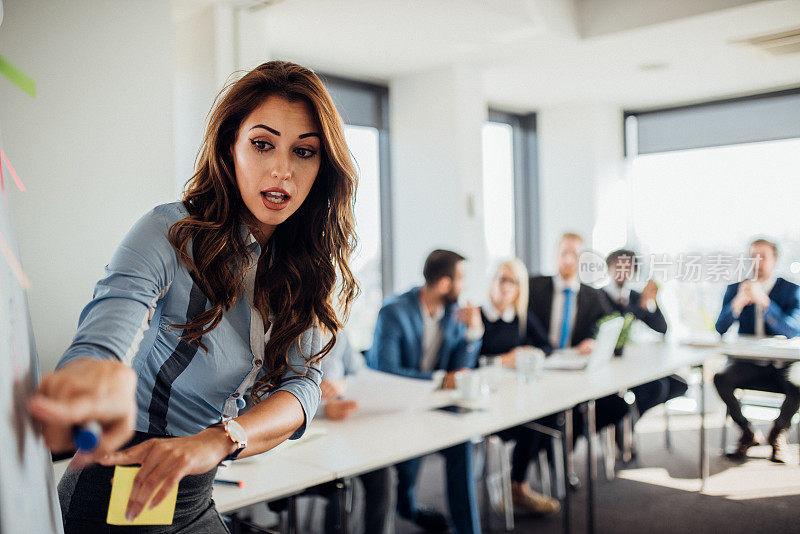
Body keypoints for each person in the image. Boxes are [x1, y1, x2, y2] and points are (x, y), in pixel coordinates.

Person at [28, 61, 359, 533]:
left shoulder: (306, 266)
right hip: (123, 489)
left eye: (304, 152)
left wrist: (224, 438)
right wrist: (89, 374)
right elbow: (107, 329)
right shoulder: (168, 232)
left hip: (195, 493)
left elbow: (303, 386)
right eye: (262, 144)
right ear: (230, 147)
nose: (282, 169)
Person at [367, 249, 483, 534]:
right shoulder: (394, 312)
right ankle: (407, 506)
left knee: (462, 443)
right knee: (407, 461)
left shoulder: (453, 316)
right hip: (391, 408)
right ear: (444, 283)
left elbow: (460, 373)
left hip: (430, 407)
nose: (464, 286)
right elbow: (386, 370)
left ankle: (467, 530)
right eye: (461, 279)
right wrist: (441, 379)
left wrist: (474, 334)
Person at [528, 234, 628, 455]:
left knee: (618, 406)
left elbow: (614, 329)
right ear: (556, 255)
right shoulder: (534, 287)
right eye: (564, 253)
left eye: (575, 254)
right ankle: (554, 452)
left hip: (574, 374)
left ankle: (565, 447)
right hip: (540, 370)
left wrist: (595, 341)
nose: (569, 260)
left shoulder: (592, 295)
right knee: (552, 413)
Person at [480, 259, 559, 515]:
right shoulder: (478, 316)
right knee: (533, 421)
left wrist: (530, 351)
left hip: (517, 397)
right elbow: (467, 364)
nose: (506, 287)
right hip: (489, 402)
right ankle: (517, 486)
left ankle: (516, 484)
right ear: (492, 281)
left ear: (519, 289)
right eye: (502, 279)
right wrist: (502, 360)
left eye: (513, 282)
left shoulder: (520, 317)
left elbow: (547, 347)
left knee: (550, 417)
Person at [713, 238, 800, 462]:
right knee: (721, 378)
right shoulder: (736, 288)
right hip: (750, 364)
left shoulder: (791, 290)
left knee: (799, 383)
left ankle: (777, 433)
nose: (757, 262)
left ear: (775, 260)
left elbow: (793, 330)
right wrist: (738, 302)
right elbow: (720, 327)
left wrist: (765, 302)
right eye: (753, 257)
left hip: (782, 365)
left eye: (763, 257)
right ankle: (747, 432)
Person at [601, 250, 687, 427]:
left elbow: (662, 328)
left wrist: (651, 302)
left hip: (634, 363)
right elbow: (619, 327)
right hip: (611, 365)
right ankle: (625, 424)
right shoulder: (598, 295)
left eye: (628, 267)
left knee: (678, 385)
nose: (622, 272)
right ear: (609, 268)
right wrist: (640, 307)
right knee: (657, 388)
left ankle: (629, 422)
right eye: (618, 266)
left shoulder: (634, 295)